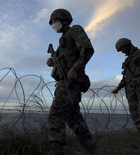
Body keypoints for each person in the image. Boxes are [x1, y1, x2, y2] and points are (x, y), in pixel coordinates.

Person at [46, 8, 97, 154]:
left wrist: (75, 68)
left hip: (70, 84)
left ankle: (60, 150)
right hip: (64, 83)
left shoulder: (75, 30)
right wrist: (52, 62)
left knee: (55, 119)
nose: (53, 25)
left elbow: (87, 49)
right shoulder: (62, 42)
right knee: (74, 119)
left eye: (54, 21)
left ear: (63, 19)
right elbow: (65, 63)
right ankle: (92, 147)